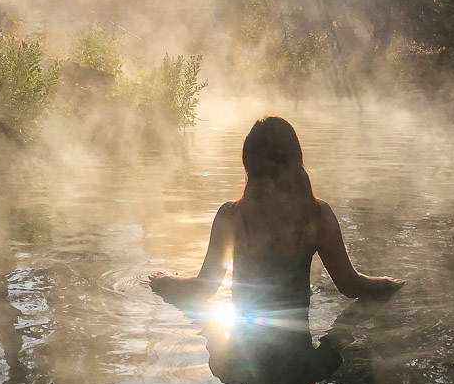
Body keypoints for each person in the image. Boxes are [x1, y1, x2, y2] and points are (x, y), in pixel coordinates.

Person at [150, 115, 404, 309]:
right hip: (298, 365)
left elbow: (202, 290)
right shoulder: (316, 217)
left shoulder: (232, 217)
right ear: (295, 162)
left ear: (248, 164)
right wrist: (386, 285)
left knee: (220, 369)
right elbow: (350, 285)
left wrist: (165, 281)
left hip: (247, 361)